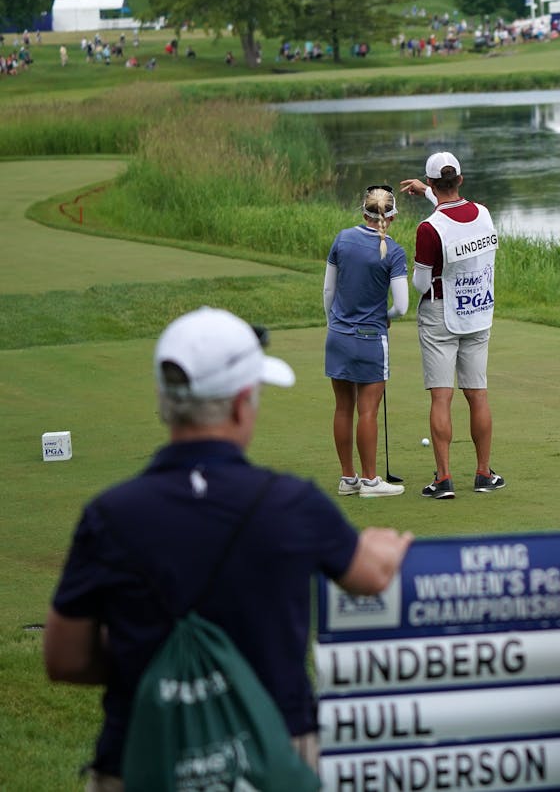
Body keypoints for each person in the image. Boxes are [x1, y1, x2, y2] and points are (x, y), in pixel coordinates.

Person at [45, 306, 414, 787]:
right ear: (243, 404)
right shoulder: (294, 504)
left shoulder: (109, 516)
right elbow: (371, 574)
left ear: (165, 402)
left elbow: (66, 658)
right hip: (272, 750)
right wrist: (384, 543)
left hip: (142, 754)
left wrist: (149, 654)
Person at [399, 151, 505, 499]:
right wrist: (430, 192)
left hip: (441, 314)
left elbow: (420, 283)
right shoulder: (485, 215)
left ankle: (444, 478)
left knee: (441, 397)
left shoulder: (428, 229)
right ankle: (483, 473)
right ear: (459, 179)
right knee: (477, 394)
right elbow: (458, 212)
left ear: (431, 182)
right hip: (477, 311)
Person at [325, 185, 409, 498]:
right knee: (368, 411)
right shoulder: (395, 252)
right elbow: (401, 307)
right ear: (393, 216)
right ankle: (371, 481)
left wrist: (332, 322)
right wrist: (384, 314)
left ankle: (349, 479)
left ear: (364, 213)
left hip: (338, 335)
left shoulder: (342, 239)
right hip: (371, 338)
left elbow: (328, 292)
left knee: (343, 407)